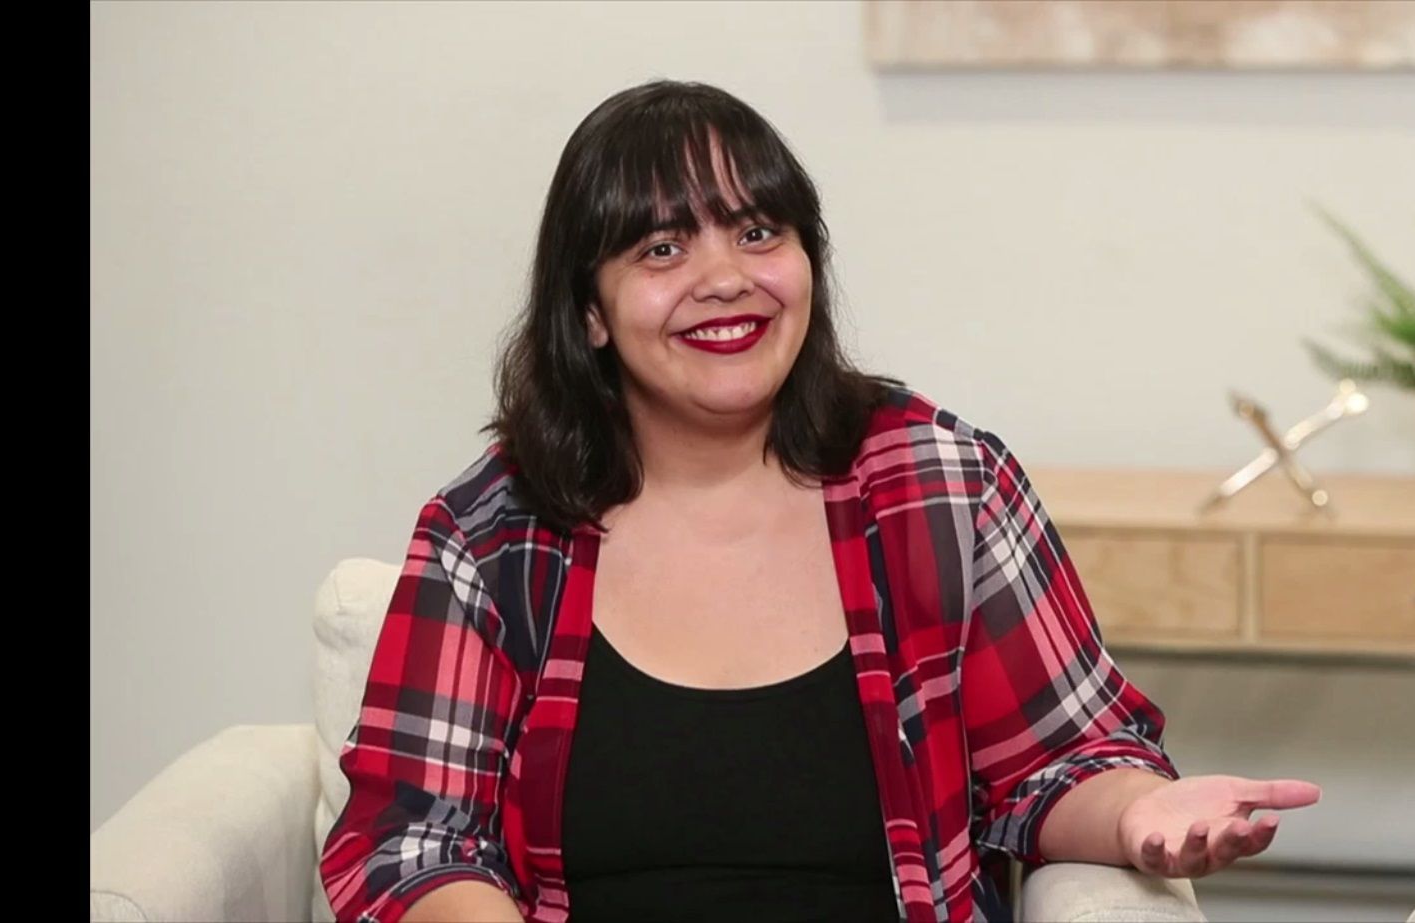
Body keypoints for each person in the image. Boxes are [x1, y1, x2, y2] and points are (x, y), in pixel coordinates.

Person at [319, 79, 1321, 923]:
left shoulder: (940, 483)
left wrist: (1145, 812)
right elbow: (410, 841)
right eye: (662, 250)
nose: (725, 279)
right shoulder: (493, 531)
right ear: (589, 311)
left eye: (758, 232)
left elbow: (1060, 758)